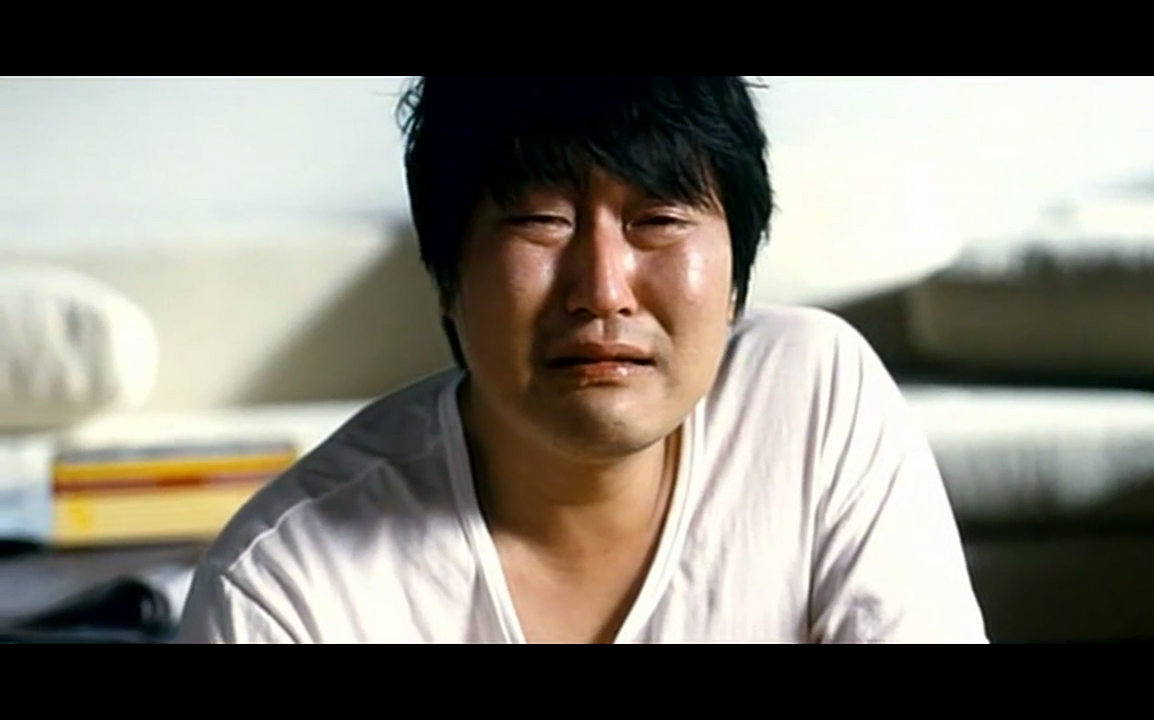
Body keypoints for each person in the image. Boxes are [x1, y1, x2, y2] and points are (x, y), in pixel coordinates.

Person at [177, 77, 987, 643]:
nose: (602, 291)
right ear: (447, 280)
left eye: (658, 220)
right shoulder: (285, 590)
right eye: (540, 221)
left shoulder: (815, 399)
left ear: (737, 278)